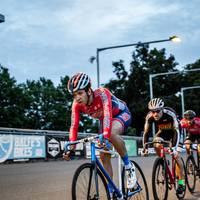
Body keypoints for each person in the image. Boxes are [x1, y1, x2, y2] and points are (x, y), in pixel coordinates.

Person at [63, 72, 137, 195]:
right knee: (104, 156)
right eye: (74, 95)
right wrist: (71, 147)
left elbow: (108, 114)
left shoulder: (102, 93)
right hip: (105, 121)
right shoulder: (76, 105)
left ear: (89, 91)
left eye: (80, 93)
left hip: (121, 114)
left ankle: (129, 167)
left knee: (111, 134)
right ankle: (111, 190)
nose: (77, 98)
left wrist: (106, 137)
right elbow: (74, 126)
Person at [142, 98, 185, 194]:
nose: (155, 114)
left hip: (175, 133)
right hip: (163, 132)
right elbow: (146, 132)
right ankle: (162, 161)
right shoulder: (149, 116)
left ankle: (181, 183)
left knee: (176, 156)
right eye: (153, 111)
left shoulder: (170, 113)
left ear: (162, 109)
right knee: (156, 142)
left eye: (157, 111)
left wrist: (175, 148)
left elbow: (177, 130)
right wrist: (145, 148)